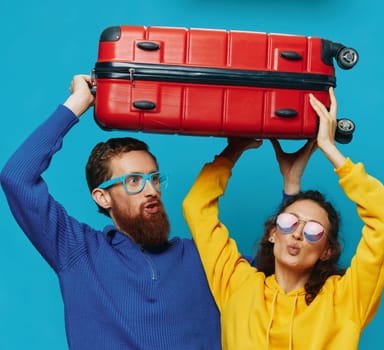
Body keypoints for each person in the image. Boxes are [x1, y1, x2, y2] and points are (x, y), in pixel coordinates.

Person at [0, 74, 223, 349]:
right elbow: (16, 177)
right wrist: (78, 102)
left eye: (154, 178)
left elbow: (284, 273)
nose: (150, 190)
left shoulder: (203, 256)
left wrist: (288, 185)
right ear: (102, 197)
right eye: (133, 181)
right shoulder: (78, 252)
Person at [182, 87, 384, 349]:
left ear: (326, 251)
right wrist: (236, 147)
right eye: (289, 223)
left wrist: (329, 149)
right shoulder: (238, 285)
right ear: (273, 234)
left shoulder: (345, 299)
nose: (298, 233)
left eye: (313, 231)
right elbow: (196, 205)